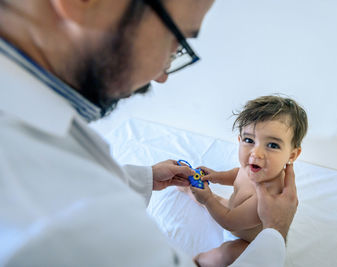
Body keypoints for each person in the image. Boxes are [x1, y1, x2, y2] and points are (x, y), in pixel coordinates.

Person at [0, 0, 299, 266]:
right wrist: (275, 232)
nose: (163, 75)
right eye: (173, 40)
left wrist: (142, 177)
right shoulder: (64, 221)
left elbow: (68, 172)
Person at [189, 95, 308, 267]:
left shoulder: (269, 195)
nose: (256, 153)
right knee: (209, 197)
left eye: (272, 145)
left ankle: (199, 260)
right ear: (239, 140)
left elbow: (229, 221)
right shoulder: (253, 167)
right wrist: (217, 176)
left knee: (227, 253)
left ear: (292, 155)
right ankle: (190, 190)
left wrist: (207, 199)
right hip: (230, 210)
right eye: (249, 140)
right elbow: (238, 175)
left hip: (244, 238)